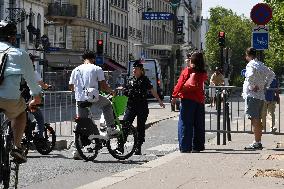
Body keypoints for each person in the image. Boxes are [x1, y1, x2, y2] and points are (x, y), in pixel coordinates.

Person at [0, 20, 42, 163]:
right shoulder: (19, 54)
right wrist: (36, 97)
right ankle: (17, 147)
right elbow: (31, 80)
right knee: (19, 114)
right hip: (8, 97)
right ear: (12, 38)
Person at [69, 51, 117, 159]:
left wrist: (80, 91)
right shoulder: (97, 69)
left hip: (80, 99)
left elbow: (71, 87)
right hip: (92, 98)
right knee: (107, 105)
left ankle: (76, 151)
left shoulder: (75, 70)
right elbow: (104, 86)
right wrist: (112, 91)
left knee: (81, 123)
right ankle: (110, 128)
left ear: (83, 59)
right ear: (93, 59)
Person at [123, 60, 165, 155]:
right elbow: (126, 90)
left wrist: (159, 101)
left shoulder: (145, 80)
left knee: (140, 128)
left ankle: (138, 147)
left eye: (136, 69)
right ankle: (121, 144)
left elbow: (153, 90)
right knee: (125, 124)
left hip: (142, 106)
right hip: (131, 106)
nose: (134, 71)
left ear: (141, 70)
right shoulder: (130, 80)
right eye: (133, 69)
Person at [171, 52, 208, 153]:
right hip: (199, 100)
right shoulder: (203, 72)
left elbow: (180, 84)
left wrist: (174, 96)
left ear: (192, 60)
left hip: (188, 99)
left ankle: (185, 147)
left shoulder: (188, 70)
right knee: (199, 124)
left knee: (185, 123)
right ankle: (198, 146)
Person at [243, 47, 275, 150]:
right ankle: (258, 141)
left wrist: (252, 85)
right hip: (261, 96)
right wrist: (264, 85)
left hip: (253, 95)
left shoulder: (251, 65)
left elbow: (250, 75)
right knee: (258, 119)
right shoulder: (261, 65)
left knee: (254, 119)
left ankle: (257, 142)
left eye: (246, 55)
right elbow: (272, 74)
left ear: (248, 55)